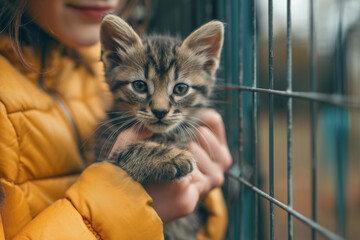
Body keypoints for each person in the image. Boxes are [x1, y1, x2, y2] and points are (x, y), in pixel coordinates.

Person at [0, 0, 232, 239]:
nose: (160, 107)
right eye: (141, 86)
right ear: (112, 58)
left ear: (208, 65)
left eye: (180, 89)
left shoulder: (83, 64)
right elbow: (114, 166)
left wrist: (206, 190)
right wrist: (128, 207)